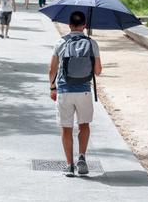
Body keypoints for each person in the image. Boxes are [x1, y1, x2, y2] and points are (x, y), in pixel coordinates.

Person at [49, 11, 102, 177]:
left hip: (64, 91)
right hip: (84, 91)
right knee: (84, 125)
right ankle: (82, 157)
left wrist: (52, 88)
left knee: (66, 129)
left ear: (69, 25)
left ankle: (70, 165)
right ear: (84, 25)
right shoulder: (92, 43)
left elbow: (52, 69)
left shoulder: (60, 42)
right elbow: (98, 71)